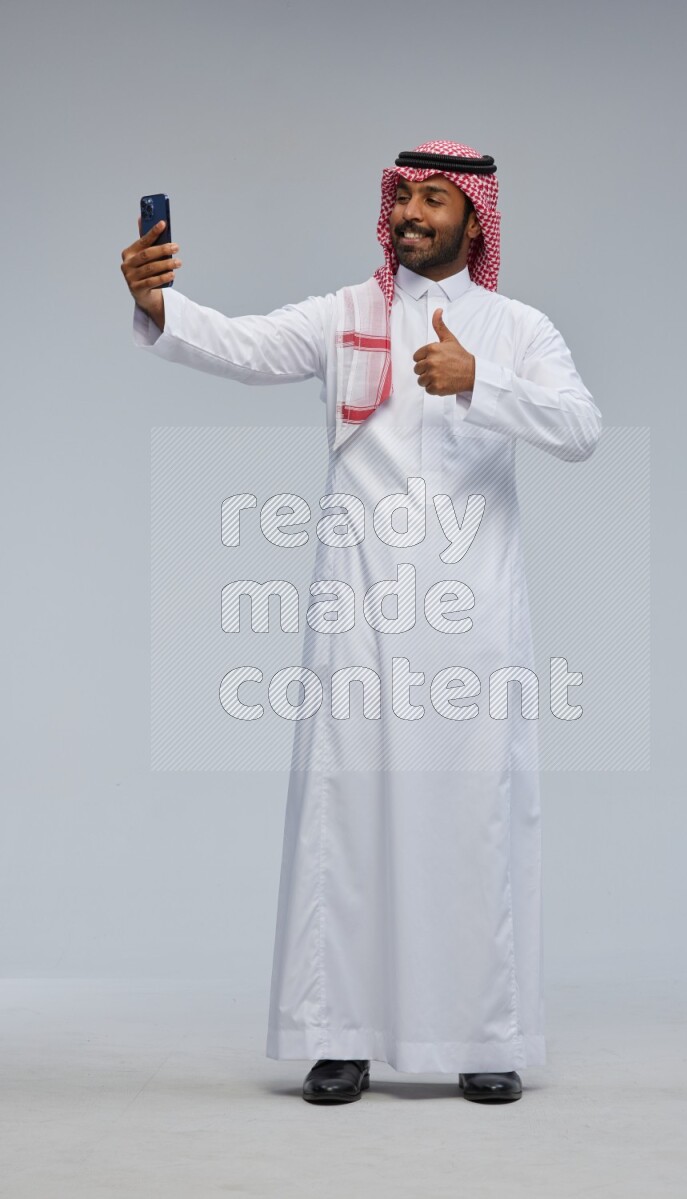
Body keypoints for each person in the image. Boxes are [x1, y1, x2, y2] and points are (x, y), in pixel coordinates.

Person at [121, 140, 602, 1105]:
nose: (415, 213)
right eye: (404, 197)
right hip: (360, 612)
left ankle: (484, 1034)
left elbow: (581, 428)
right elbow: (243, 344)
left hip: (472, 622)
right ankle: (336, 1034)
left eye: (436, 198)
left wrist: (480, 381)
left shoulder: (516, 328)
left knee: (475, 821)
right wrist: (154, 301)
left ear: (475, 218)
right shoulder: (347, 313)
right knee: (347, 817)